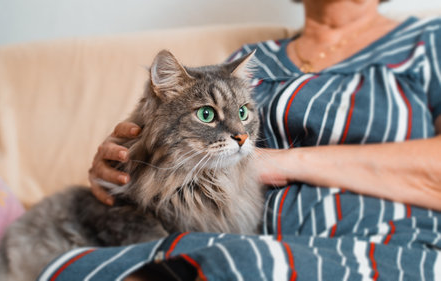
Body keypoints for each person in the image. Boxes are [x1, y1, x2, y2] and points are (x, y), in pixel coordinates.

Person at [45, 0, 441, 280]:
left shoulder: (427, 43)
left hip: (379, 246)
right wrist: (127, 160)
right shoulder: (253, 58)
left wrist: (279, 162)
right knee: (68, 267)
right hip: (227, 243)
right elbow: (175, 129)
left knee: (234, 264)